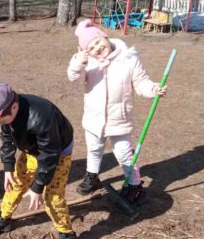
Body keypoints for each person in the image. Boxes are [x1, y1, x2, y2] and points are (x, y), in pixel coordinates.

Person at [0, 82, 77, 239]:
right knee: (15, 182)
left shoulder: (41, 117)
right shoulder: (6, 112)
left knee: (52, 197)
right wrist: (8, 168)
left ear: (14, 107)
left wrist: (37, 187)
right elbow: (7, 138)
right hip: (32, 149)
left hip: (57, 153)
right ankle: (3, 217)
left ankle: (67, 234)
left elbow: (49, 155)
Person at [67, 19, 167, 204]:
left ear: (105, 37)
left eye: (98, 42)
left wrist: (153, 89)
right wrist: (78, 62)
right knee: (94, 149)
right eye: (91, 47)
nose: (97, 48)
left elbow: (141, 82)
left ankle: (135, 185)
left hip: (119, 118)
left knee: (124, 154)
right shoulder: (88, 63)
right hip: (94, 117)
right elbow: (74, 77)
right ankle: (92, 177)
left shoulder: (128, 58)